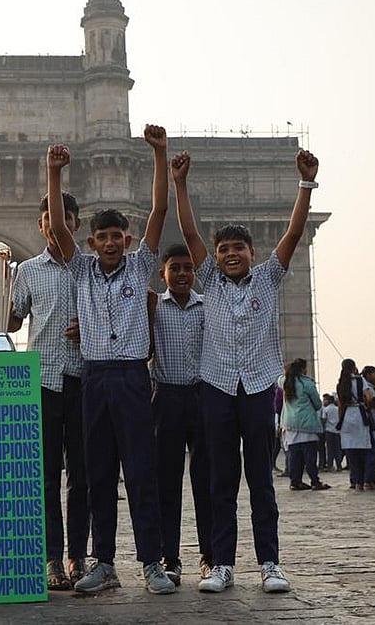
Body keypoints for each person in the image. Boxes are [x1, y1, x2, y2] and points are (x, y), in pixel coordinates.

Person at [172, 146, 320, 594]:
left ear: (253, 253)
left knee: (260, 481)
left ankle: (270, 563)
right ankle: (221, 564)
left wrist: (305, 185)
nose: (231, 254)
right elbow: (189, 231)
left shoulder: (268, 278)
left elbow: (294, 233)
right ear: (214, 258)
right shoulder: (211, 280)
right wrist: (180, 184)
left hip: (256, 388)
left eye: (239, 248)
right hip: (216, 387)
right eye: (224, 249)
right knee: (220, 481)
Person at [45, 125, 177, 595]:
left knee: (140, 472)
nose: (110, 242)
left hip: (132, 378)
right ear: (93, 241)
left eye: (117, 235)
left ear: (125, 238)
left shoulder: (141, 266)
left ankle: (151, 563)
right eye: (102, 236)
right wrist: (54, 173)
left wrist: (158, 155)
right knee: (98, 474)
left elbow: (159, 211)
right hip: (95, 378)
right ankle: (104, 563)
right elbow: (59, 229)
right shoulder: (78, 269)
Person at [8, 188, 89, 591]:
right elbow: (9, 322)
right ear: (41, 226)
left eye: (65, 220)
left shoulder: (89, 267)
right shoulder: (26, 271)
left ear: (75, 223)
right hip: (39, 382)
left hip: (81, 379)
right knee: (44, 479)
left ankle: (78, 556)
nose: (57, 226)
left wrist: (88, 329)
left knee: (81, 476)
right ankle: (51, 559)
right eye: (50, 221)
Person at [151, 243, 213, 587]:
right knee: (167, 483)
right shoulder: (153, 308)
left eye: (188, 268)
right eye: (175, 268)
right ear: (164, 272)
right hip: (166, 396)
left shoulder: (208, 307)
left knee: (206, 480)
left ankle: (210, 556)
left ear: (195, 272)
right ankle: (169, 557)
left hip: (201, 396)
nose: (182, 274)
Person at [278, 358, 329, 491]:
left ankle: (295, 481)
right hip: (307, 425)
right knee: (310, 456)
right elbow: (318, 404)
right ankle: (315, 481)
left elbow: (278, 377)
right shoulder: (307, 384)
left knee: (294, 456)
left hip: (290, 424)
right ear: (303, 369)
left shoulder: (284, 381)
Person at [336, 359, 374, 491]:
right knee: (366, 449)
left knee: (351, 452)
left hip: (346, 417)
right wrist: (367, 407)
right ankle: (367, 480)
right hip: (360, 415)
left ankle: (357, 482)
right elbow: (368, 397)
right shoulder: (360, 380)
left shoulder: (340, 383)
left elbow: (340, 405)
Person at [321, 394, 342, 471]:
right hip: (337, 431)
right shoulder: (337, 409)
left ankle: (330, 466)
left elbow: (324, 420)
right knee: (337, 449)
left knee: (330, 449)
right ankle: (339, 465)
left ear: (328, 400)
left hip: (329, 431)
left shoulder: (326, 409)